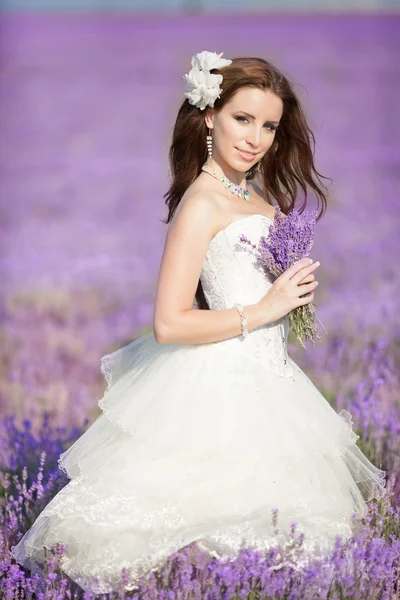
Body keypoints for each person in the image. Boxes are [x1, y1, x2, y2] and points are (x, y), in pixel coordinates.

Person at [11, 50, 386, 594]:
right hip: (217, 385)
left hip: (270, 381)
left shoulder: (252, 194)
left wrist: (292, 298)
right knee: (200, 528)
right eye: (242, 118)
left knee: (282, 538)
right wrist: (266, 309)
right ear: (210, 116)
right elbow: (169, 322)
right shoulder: (202, 202)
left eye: (269, 126)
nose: (256, 137)